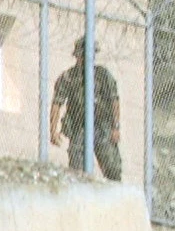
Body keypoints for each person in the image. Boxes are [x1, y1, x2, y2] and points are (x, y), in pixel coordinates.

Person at [50, 37, 122, 181]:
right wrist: (53, 130)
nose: (87, 58)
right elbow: (57, 104)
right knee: (77, 172)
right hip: (78, 128)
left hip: (102, 127)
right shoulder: (68, 77)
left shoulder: (103, 75)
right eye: (83, 55)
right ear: (77, 55)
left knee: (112, 169)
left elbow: (114, 101)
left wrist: (116, 127)